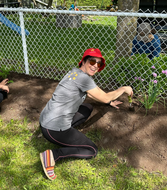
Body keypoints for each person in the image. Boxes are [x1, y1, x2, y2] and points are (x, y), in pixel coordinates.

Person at [39, 48, 133, 180]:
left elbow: (93, 93)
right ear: (84, 61)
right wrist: (123, 89)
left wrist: (109, 102)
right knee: (91, 150)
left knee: (87, 108)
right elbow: (104, 96)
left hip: (46, 119)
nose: (95, 66)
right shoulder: (84, 79)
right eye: (92, 61)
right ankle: (53, 156)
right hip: (53, 128)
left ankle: (63, 135)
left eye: (98, 64)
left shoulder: (75, 73)